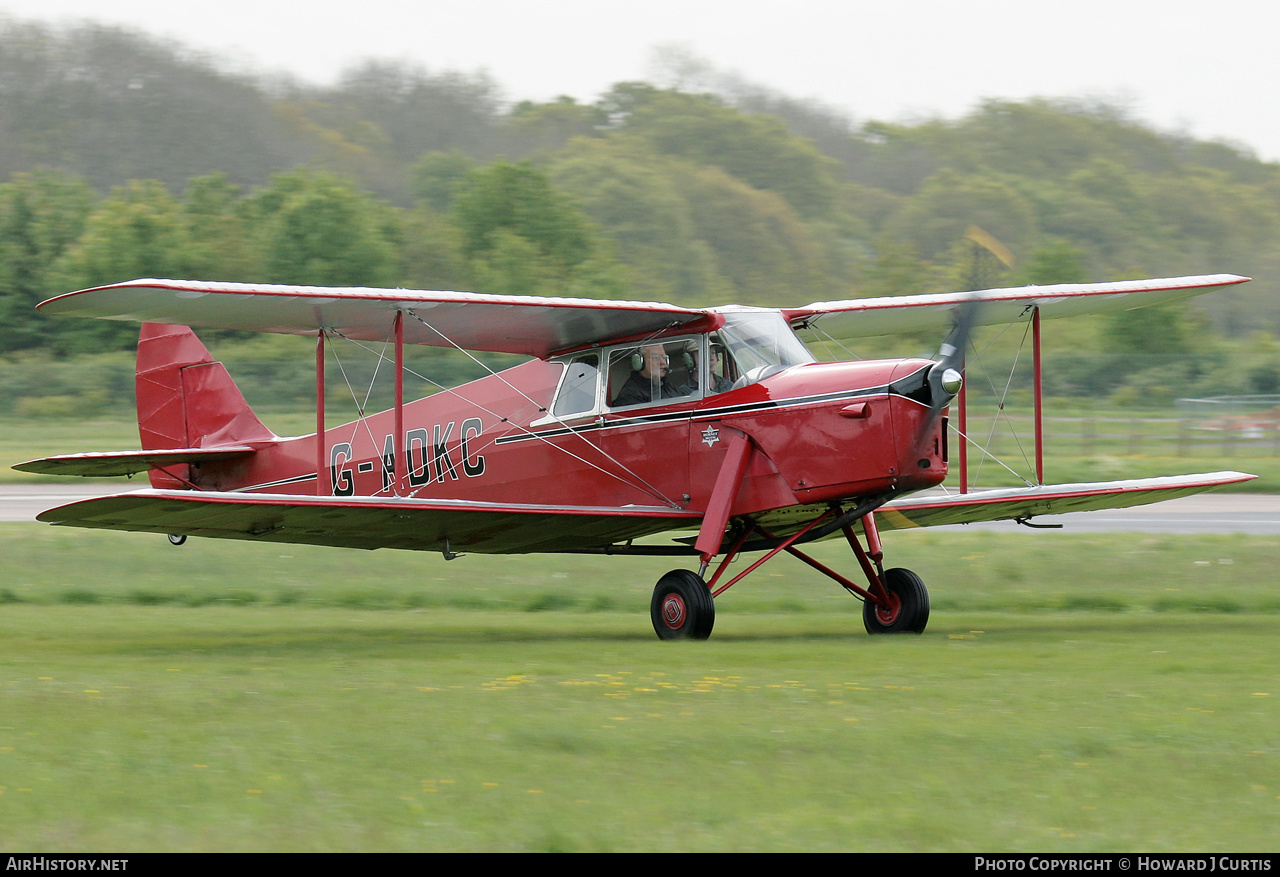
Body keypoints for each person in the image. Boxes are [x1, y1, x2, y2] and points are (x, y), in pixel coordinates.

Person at [613, 344, 684, 406]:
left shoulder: (668, 384)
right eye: (655, 357)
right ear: (640, 362)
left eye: (664, 358)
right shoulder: (630, 395)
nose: (663, 363)